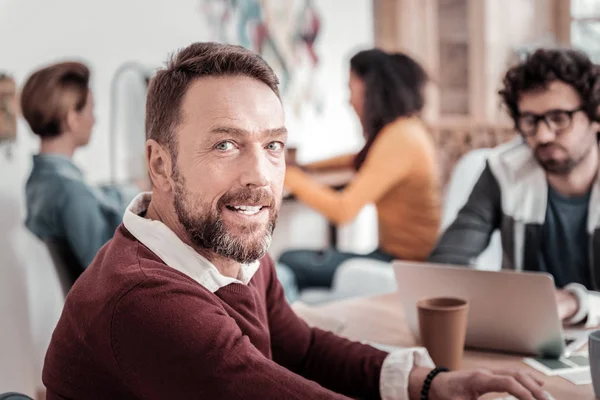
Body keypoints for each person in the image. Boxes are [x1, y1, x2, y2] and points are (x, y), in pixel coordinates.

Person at [41, 42, 547, 400]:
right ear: (160, 164)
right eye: (225, 144)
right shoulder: (146, 301)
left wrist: (429, 382)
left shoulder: (230, 247)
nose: (260, 176)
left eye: (273, 146)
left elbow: (299, 349)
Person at [429, 48, 600, 327]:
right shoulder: (502, 171)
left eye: (559, 118)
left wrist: (575, 302)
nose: (543, 135)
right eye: (530, 121)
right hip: (528, 339)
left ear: (595, 115)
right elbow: (446, 266)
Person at [279, 49, 441, 292]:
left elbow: (343, 210)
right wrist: (305, 166)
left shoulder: (400, 139)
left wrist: (288, 175)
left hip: (404, 266)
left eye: (350, 90)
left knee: (290, 259)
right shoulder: (406, 130)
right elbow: (355, 159)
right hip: (397, 256)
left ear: (369, 91)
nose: (348, 100)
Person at [21, 61, 141, 269]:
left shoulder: (39, 181)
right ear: (72, 118)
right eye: (90, 110)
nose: (94, 120)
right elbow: (105, 270)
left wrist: (134, 189)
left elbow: (92, 195)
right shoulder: (71, 192)